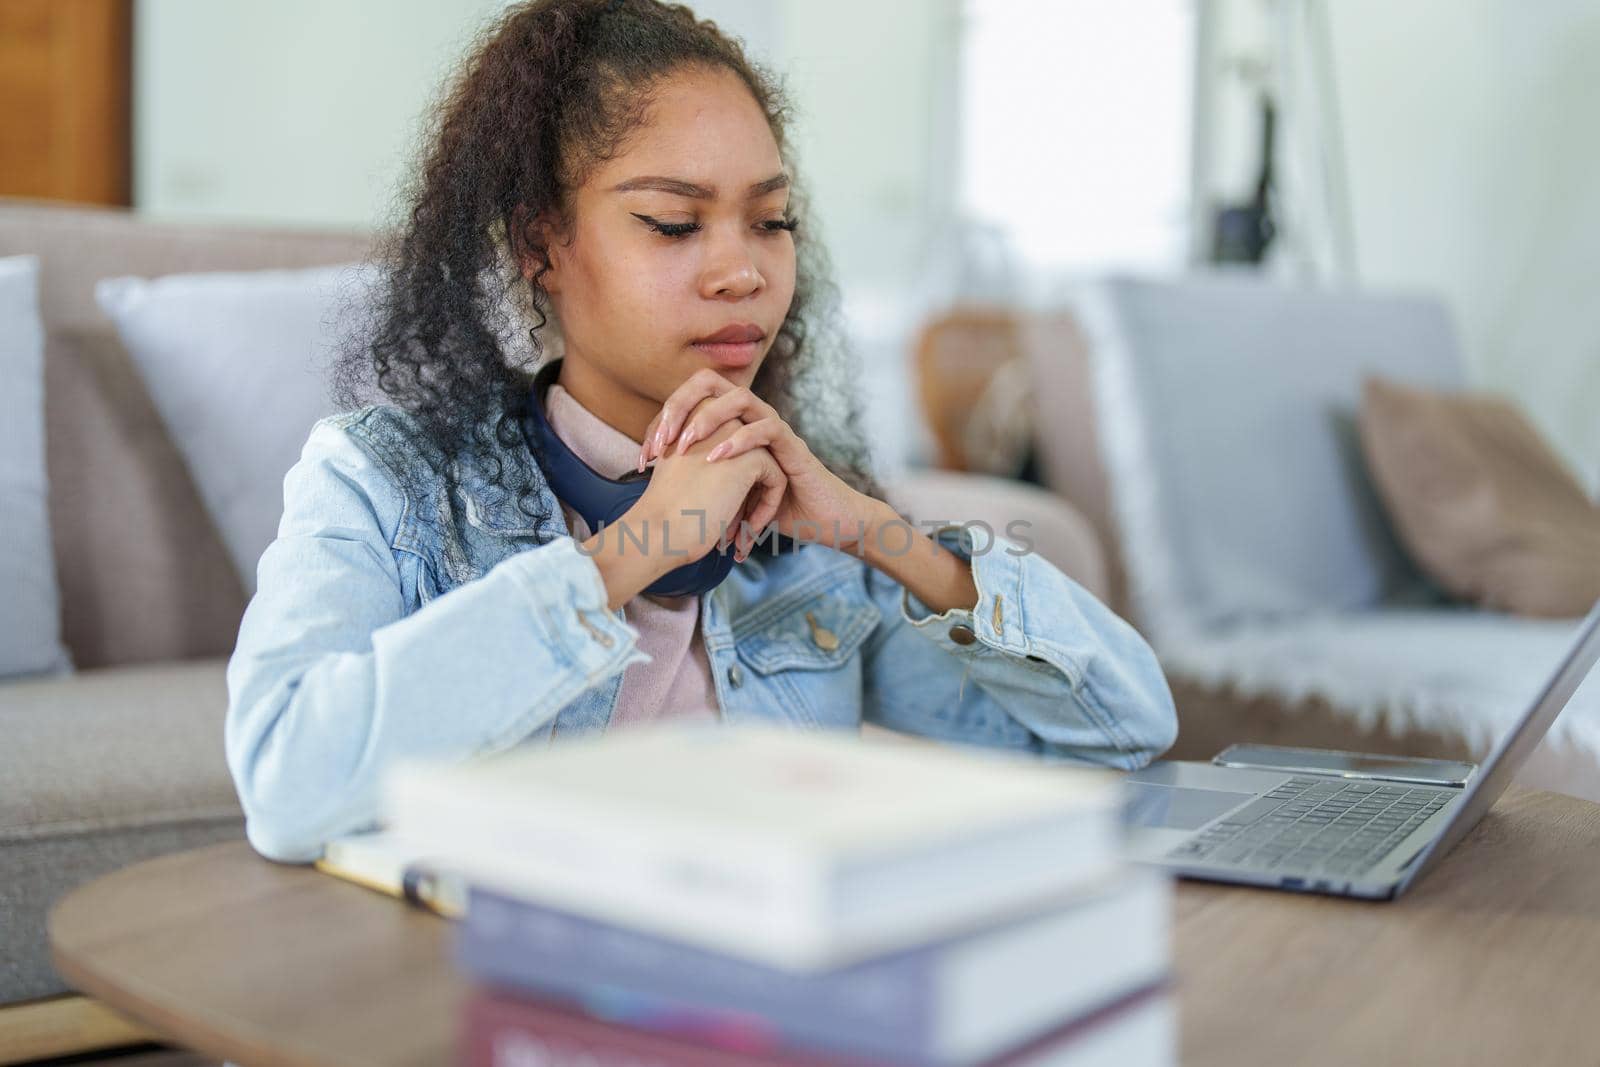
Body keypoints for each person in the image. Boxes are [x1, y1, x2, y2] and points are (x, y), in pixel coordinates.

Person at [224, 0, 1178, 864]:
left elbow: (1123, 729)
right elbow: (287, 783)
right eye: (675, 223)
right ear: (538, 245)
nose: (742, 272)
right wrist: (634, 552)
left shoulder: (806, 543)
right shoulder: (382, 481)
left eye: (772, 220)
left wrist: (869, 530)